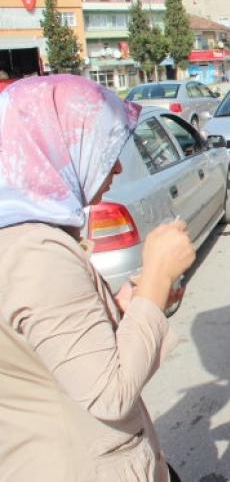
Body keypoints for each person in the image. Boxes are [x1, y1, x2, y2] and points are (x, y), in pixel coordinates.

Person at [0, 75, 195, 480]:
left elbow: (45, 351)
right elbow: (111, 394)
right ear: (55, 148)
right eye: (106, 150)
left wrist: (122, 308)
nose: (117, 167)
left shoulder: (19, 231)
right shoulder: (36, 253)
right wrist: (156, 278)